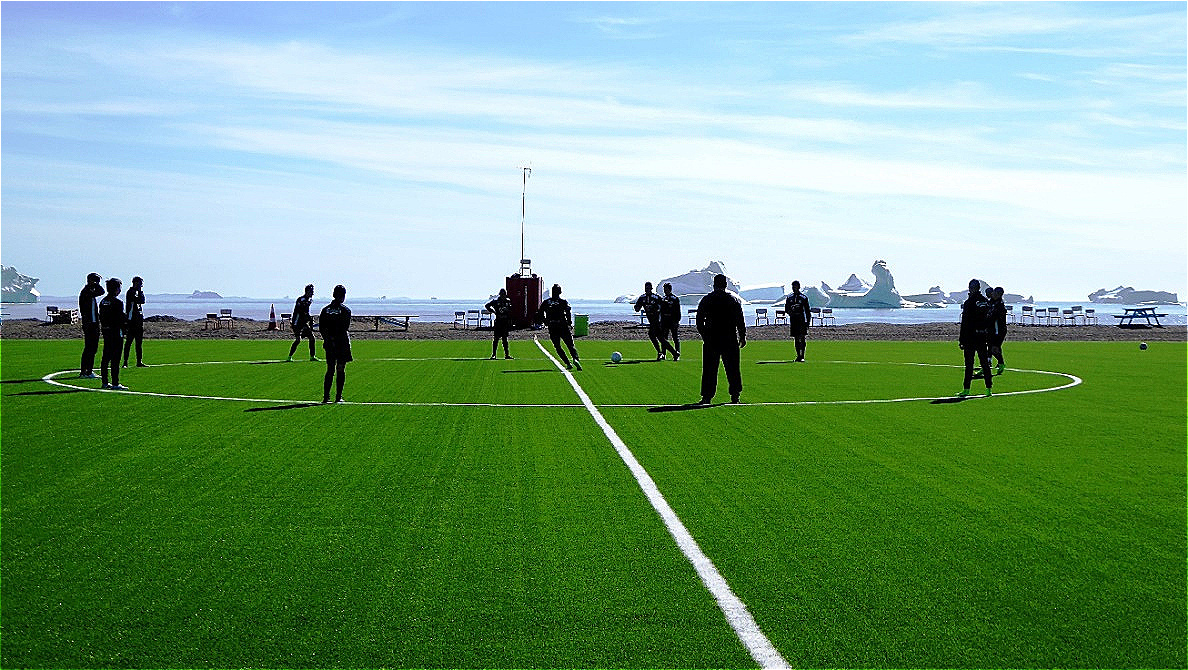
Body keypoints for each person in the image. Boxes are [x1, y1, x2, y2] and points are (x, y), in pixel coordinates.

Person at [696, 274, 747, 404]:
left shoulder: (707, 299)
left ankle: (707, 396)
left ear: (714, 285)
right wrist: (742, 335)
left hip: (711, 338)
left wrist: (705, 335)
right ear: (725, 285)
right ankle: (735, 395)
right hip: (729, 338)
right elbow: (740, 320)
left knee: (709, 369)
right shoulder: (733, 300)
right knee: (733, 368)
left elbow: (699, 320)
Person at [958, 279, 994, 397]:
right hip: (982, 336)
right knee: (984, 363)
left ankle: (966, 389)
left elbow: (965, 322)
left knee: (969, 364)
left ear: (970, 288)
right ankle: (989, 388)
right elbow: (990, 320)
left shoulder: (969, 302)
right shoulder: (985, 301)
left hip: (970, 337)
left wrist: (961, 339)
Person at [318, 284, 352, 403]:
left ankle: (326, 397)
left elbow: (321, 328)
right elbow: (345, 327)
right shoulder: (345, 310)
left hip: (329, 342)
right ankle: (338, 396)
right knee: (340, 368)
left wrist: (327, 339)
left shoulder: (325, 310)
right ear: (343, 296)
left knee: (330, 369)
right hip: (341, 342)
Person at [537, 284, 582, 371]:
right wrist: (569, 323)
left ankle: (567, 363)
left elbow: (540, 313)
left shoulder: (546, 302)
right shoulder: (563, 302)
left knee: (557, 346)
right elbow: (568, 312)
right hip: (563, 325)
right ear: (560, 292)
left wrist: (545, 321)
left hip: (552, 326)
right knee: (570, 345)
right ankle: (575, 358)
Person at [635, 281, 679, 361]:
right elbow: (637, 308)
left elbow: (665, 305)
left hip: (658, 321)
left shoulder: (656, 297)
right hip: (652, 321)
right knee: (660, 338)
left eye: (649, 288)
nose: (647, 289)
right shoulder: (642, 298)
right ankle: (673, 353)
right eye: (646, 288)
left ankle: (661, 353)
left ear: (651, 288)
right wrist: (637, 307)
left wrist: (670, 318)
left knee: (654, 335)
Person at [98, 277, 128, 390]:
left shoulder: (103, 301)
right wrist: (125, 328)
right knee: (115, 358)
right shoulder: (118, 302)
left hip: (106, 331)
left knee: (106, 357)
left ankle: (105, 382)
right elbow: (121, 319)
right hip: (116, 332)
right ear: (116, 289)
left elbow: (101, 316)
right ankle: (115, 383)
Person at [78, 272, 105, 378]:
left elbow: (101, 291)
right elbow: (101, 291)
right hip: (89, 324)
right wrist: (95, 284)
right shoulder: (86, 292)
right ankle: (85, 371)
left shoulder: (90, 291)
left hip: (94, 323)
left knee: (93, 348)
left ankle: (89, 370)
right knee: (89, 348)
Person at [287, 284, 319, 362]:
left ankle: (312, 356)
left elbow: (306, 312)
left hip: (303, 323)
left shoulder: (309, 300)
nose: (312, 293)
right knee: (298, 340)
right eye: (311, 291)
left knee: (312, 338)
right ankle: (289, 357)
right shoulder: (301, 300)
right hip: (297, 323)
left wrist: (310, 320)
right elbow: (301, 311)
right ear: (307, 291)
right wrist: (309, 318)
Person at [784, 280, 812, 362]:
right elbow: (786, 309)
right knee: (796, 338)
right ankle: (798, 356)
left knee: (802, 337)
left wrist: (808, 323)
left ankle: (802, 355)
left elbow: (807, 311)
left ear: (799, 287)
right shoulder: (790, 297)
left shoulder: (803, 298)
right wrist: (791, 312)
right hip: (794, 320)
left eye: (795, 286)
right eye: (793, 287)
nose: (794, 288)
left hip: (801, 320)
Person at [122, 276, 147, 368]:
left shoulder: (137, 292)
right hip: (131, 321)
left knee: (139, 343)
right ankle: (125, 362)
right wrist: (140, 291)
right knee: (128, 342)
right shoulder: (131, 292)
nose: (141, 285)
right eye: (140, 283)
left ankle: (139, 361)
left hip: (138, 321)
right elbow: (140, 300)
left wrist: (140, 291)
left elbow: (142, 301)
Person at [485, 288, 514, 360]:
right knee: (496, 338)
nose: (503, 296)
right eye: (502, 294)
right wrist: (493, 311)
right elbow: (487, 305)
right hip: (498, 321)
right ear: (500, 294)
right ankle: (494, 354)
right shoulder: (496, 301)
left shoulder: (508, 301)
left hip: (505, 322)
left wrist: (510, 319)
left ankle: (507, 354)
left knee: (505, 339)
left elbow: (510, 310)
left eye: (504, 294)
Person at [659, 282, 682, 361]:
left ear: (670, 289)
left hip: (672, 321)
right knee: (664, 338)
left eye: (666, 289)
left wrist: (677, 321)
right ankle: (663, 353)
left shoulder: (674, 299)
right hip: (664, 321)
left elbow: (678, 311)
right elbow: (661, 311)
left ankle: (677, 352)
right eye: (664, 289)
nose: (665, 291)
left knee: (675, 337)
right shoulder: (662, 299)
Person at [988, 286, 1007, 376]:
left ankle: (1001, 363)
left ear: (999, 295)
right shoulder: (992, 302)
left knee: (994, 349)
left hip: (998, 330)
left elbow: (995, 318)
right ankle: (988, 365)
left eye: (995, 293)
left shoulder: (1000, 305)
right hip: (991, 330)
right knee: (989, 348)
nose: (993, 294)